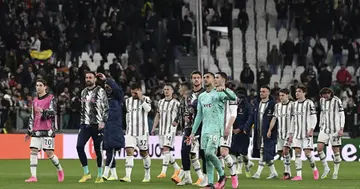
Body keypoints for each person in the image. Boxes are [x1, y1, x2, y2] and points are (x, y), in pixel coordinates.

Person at [189, 72, 236, 189]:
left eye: (208, 77)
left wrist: (224, 89)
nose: (205, 79)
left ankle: (222, 174)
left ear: (214, 80)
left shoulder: (219, 93)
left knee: (210, 153)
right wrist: (193, 132)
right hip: (205, 130)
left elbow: (233, 97)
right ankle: (210, 183)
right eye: (204, 77)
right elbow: (199, 115)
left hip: (216, 129)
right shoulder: (202, 96)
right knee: (207, 157)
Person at [25, 79, 64, 183]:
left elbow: (53, 112)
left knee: (49, 154)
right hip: (36, 129)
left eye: (40, 85)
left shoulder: (51, 98)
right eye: (37, 85)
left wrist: (43, 111)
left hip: (47, 129)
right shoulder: (34, 100)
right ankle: (33, 176)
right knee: (33, 151)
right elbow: (32, 116)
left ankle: (60, 169)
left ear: (45, 87)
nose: (38, 87)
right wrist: (29, 131)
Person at [77, 71, 109, 183]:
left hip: (98, 125)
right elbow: (82, 109)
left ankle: (100, 175)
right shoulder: (83, 92)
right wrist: (81, 123)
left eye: (90, 77)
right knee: (79, 146)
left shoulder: (100, 91)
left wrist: (103, 121)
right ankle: (86, 173)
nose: (88, 79)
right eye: (86, 77)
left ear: (95, 79)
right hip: (85, 124)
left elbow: (106, 107)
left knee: (98, 150)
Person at [172, 81, 204, 186]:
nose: (179, 90)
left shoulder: (195, 97)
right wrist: (177, 120)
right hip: (188, 129)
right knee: (186, 152)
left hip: (198, 128)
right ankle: (188, 177)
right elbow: (181, 112)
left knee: (200, 153)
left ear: (185, 89)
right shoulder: (184, 99)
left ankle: (205, 177)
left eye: (180, 88)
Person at [120, 82, 152, 182]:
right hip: (130, 132)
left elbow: (148, 109)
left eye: (135, 93)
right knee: (129, 152)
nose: (133, 95)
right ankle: (127, 176)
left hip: (142, 132)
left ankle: (147, 174)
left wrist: (141, 98)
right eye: (132, 93)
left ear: (140, 91)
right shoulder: (128, 101)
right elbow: (127, 115)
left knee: (144, 153)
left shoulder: (146, 99)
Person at [96, 73, 125, 181]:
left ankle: (105, 173)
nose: (107, 88)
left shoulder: (117, 97)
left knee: (111, 149)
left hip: (115, 126)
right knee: (108, 150)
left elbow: (118, 89)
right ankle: (114, 174)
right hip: (106, 127)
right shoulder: (104, 100)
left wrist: (106, 79)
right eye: (106, 86)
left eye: (109, 86)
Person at [151, 84, 181, 180]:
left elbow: (180, 116)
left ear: (172, 91)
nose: (166, 91)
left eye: (168, 89)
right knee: (163, 151)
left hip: (170, 130)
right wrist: (153, 127)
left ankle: (163, 172)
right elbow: (158, 116)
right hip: (161, 130)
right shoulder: (160, 102)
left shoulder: (176, 103)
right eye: (164, 89)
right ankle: (177, 168)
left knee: (166, 149)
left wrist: (176, 123)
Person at [289, 86, 319, 181]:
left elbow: (314, 117)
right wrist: (290, 134)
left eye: (299, 91)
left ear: (304, 93)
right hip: (297, 133)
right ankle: (299, 175)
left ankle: (314, 169)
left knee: (307, 154)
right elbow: (292, 120)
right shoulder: (294, 104)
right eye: (296, 91)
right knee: (297, 152)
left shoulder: (309, 103)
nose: (297, 93)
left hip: (306, 133)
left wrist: (311, 129)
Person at [317, 87, 345, 180]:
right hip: (324, 129)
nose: (324, 97)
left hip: (335, 129)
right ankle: (326, 168)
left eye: (325, 95)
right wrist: (321, 124)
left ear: (329, 93)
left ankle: (335, 172)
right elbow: (322, 113)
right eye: (322, 95)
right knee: (319, 148)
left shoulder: (337, 101)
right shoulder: (322, 100)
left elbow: (342, 114)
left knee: (335, 150)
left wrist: (341, 128)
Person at [251, 86, 278, 179]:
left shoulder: (273, 104)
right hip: (259, 132)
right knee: (264, 152)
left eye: (263, 91)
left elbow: (275, 119)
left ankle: (258, 173)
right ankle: (274, 172)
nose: (261, 93)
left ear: (268, 93)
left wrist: (271, 130)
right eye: (260, 91)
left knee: (264, 151)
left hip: (269, 133)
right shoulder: (257, 103)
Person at [267, 88, 294, 180]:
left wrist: (292, 132)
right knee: (281, 152)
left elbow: (296, 120)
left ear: (287, 95)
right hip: (280, 133)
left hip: (290, 132)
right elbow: (274, 118)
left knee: (285, 150)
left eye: (283, 95)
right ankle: (288, 171)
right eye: (280, 95)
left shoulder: (292, 105)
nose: (281, 97)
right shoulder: (277, 106)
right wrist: (270, 130)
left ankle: (287, 172)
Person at [217, 86, 238, 188]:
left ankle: (233, 175)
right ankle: (221, 179)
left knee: (224, 153)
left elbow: (234, 114)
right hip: (214, 128)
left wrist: (228, 127)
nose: (215, 79)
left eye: (217, 77)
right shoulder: (212, 93)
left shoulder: (231, 94)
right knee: (217, 154)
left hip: (226, 127)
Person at [231, 92, 254, 178]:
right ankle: (236, 170)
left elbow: (249, 120)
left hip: (244, 132)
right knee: (234, 151)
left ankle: (247, 165)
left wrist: (240, 129)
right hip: (234, 131)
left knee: (243, 153)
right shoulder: (234, 106)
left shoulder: (247, 107)